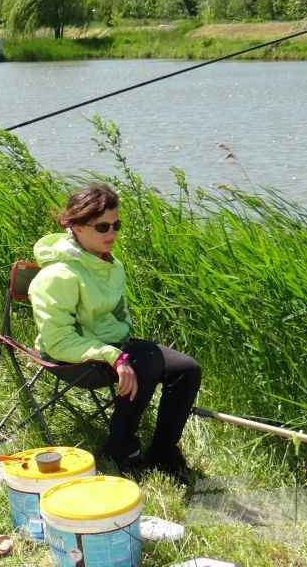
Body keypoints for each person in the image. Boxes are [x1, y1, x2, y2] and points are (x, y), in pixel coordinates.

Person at [28, 182, 201, 482]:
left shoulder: (111, 264)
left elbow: (116, 316)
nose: (112, 233)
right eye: (103, 226)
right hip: (73, 358)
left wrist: (121, 350)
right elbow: (58, 341)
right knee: (146, 359)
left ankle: (163, 451)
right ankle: (119, 449)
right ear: (77, 227)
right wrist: (117, 357)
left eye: (116, 225)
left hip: (113, 347)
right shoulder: (58, 275)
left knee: (187, 369)